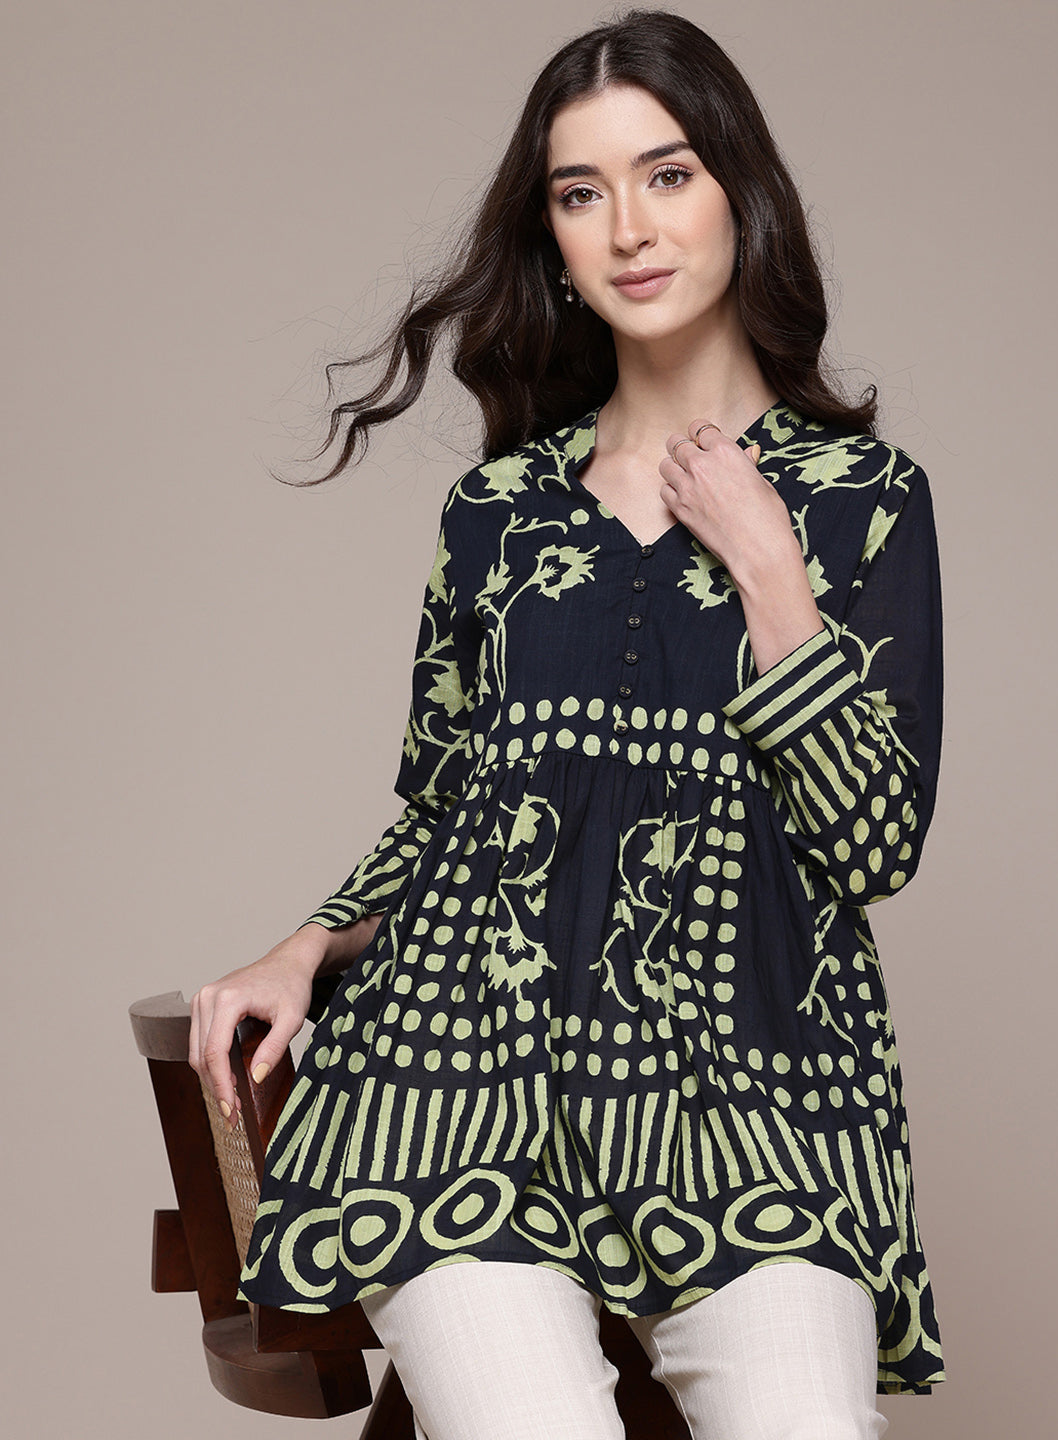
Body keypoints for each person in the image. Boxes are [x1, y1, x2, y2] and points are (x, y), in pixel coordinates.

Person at [189, 10, 945, 1437]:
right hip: (466, 1091)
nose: (629, 229)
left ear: (740, 193)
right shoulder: (495, 513)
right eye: (580, 192)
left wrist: (772, 575)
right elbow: (446, 805)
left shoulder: (866, 499)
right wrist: (309, 942)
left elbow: (874, 845)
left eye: (667, 175)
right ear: (551, 236)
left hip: (758, 1100)